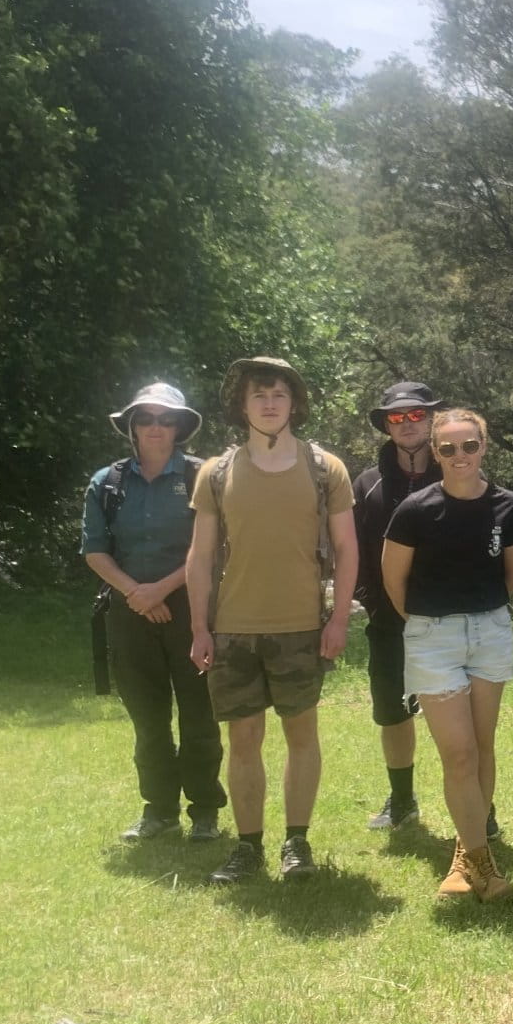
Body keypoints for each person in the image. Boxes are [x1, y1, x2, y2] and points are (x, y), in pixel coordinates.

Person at [186, 357, 358, 885]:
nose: (268, 403)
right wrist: (199, 628)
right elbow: (200, 556)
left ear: (293, 403)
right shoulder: (215, 472)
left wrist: (338, 621)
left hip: (302, 626)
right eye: (258, 395)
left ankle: (297, 843)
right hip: (234, 628)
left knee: (301, 734)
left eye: (278, 394)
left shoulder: (324, 467)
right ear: (242, 405)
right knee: (244, 740)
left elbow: (349, 548)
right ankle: (247, 846)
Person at [380, 408, 513, 901]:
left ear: (483, 446)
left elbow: (512, 576)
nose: (459, 455)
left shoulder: (508, 506)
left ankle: (465, 854)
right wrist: (430, 623)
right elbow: (393, 582)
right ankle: (483, 865)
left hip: (489, 630)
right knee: (459, 753)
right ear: (435, 452)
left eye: (469, 446)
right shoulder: (415, 509)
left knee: (482, 747)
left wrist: (477, 614)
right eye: (447, 448)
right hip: (432, 636)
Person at [81, 384, 225, 844]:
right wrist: (136, 594)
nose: (156, 427)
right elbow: (95, 551)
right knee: (147, 718)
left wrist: (159, 590)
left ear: (181, 426)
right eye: (146, 419)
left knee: (199, 712)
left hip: (193, 609)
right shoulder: (107, 481)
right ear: (132, 426)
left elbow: (212, 547)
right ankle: (158, 810)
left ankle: (204, 810)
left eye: (166, 419)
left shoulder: (204, 476)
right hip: (129, 610)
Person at [351, 381, 444, 832]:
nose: (407, 424)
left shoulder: (457, 472)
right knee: (392, 712)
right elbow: (354, 552)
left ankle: (479, 807)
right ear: (386, 426)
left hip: (449, 623)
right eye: (396, 417)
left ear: (430, 420)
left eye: (415, 415)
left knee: (458, 718)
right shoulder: (367, 485)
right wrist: (371, 603)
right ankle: (402, 801)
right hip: (387, 624)